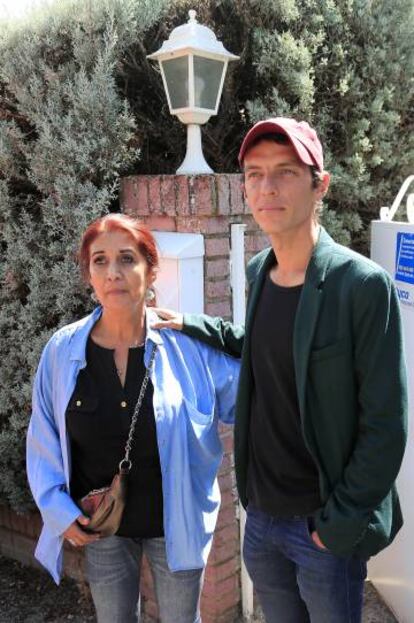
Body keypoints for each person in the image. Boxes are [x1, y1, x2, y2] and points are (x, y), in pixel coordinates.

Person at [153, 117, 408, 623]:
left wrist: (336, 526)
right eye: (254, 173)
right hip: (263, 518)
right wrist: (193, 323)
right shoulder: (258, 271)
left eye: (285, 172)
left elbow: (386, 427)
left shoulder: (360, 285)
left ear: (321, 185)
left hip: (322, 526)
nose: (266, 187)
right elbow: (270, 347)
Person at [26, 214, 240, 623]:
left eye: (127, 259)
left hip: (175, 524)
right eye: (100, 261)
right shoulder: (62, 351)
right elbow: (43, 438)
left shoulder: (188, 347)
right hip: (101, 524)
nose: (113, 273)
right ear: (88, 273)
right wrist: (59, 510)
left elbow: (256, 387)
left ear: (151, 269)